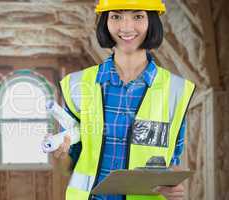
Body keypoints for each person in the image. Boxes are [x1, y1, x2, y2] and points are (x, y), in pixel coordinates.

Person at [52, 1, 195, 200]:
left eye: (138, 16)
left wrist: (171, 186)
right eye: (116, 16)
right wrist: (59, 152)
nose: (126, 27)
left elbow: (172, 159)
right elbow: (69, 162)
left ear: (151, 21)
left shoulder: (176, 90)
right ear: (105, 22)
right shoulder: (78, 85)